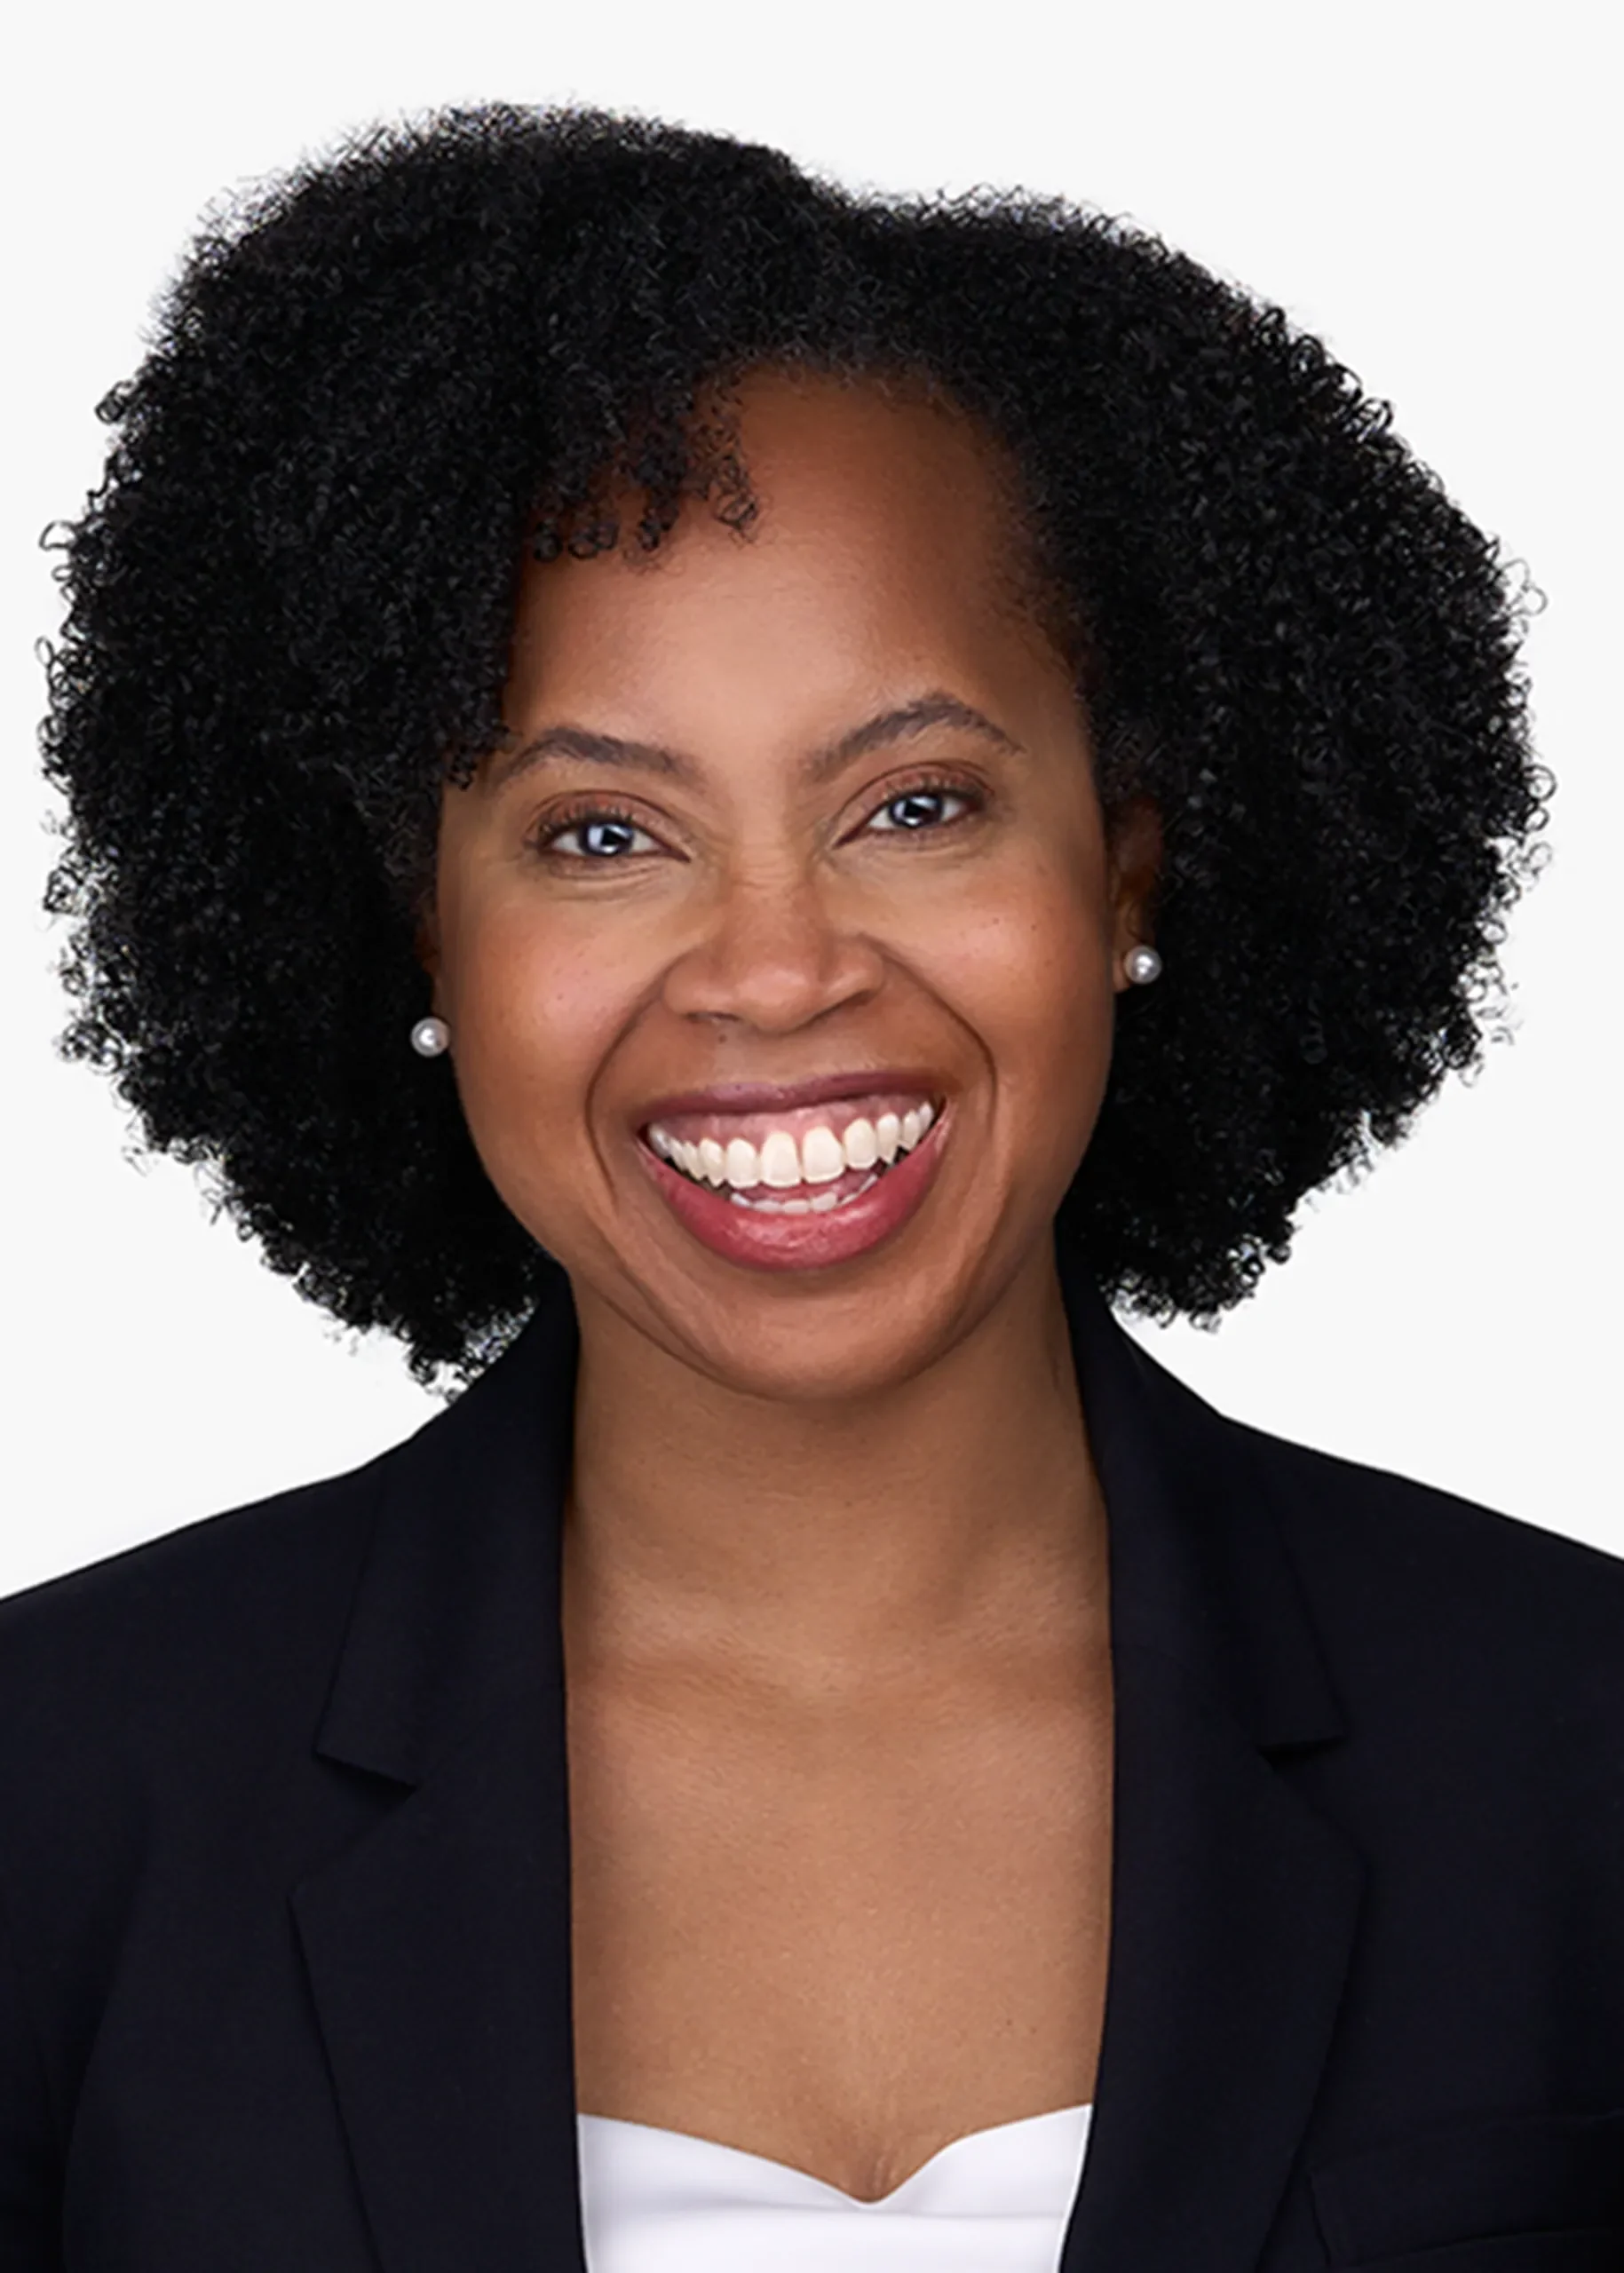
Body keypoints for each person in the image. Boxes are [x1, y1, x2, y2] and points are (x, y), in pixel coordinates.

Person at [3, 102, 1620, 2273]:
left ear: (1123, 856)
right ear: (418, 931)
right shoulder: (58, 1797)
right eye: (597, 833)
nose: (775, 966)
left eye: (915, 801)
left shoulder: (1568, 1748)